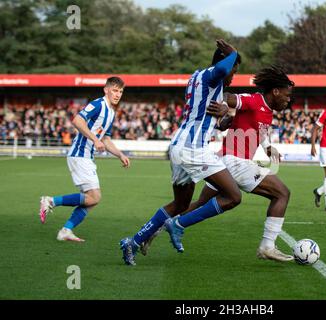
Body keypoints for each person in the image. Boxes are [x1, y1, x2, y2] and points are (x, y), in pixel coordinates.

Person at [141, 66, 295, 262]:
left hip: (223, 162)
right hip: (236, 162)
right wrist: (223, 106)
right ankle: (267, 246)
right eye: (287, 95)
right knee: (282, 193)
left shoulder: (267, 110)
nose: (288, 99)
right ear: (275, 91)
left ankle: (154, 231)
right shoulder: (254, 100)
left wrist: (267, 147)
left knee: (199, 204)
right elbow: (229, 96)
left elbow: (260, 130)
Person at [119, 39, 242, 266]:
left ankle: (133, 242)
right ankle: (177, 225)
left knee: (180, 205)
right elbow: (224, 69)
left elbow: (220, 125)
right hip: (193, 148)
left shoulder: (197, 78)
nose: (233, 77)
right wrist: (234, 53)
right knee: (233, 196)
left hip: (181, 144)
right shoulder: (212, 75)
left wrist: (229, 114)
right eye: (234, 72)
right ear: (224, 65)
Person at [39, 77, 131, 241]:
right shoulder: (98, 104)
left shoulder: (111, 112)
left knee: (92, 200)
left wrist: (120, 154)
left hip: (87, 156)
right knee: (94, 197)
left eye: (121, 91)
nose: (118, 94)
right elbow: (77, 120)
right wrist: (94, 139)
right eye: (115, 90)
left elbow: (106, 139)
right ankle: (50, 201)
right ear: (106, 89)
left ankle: (66, 230)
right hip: (80, 154)